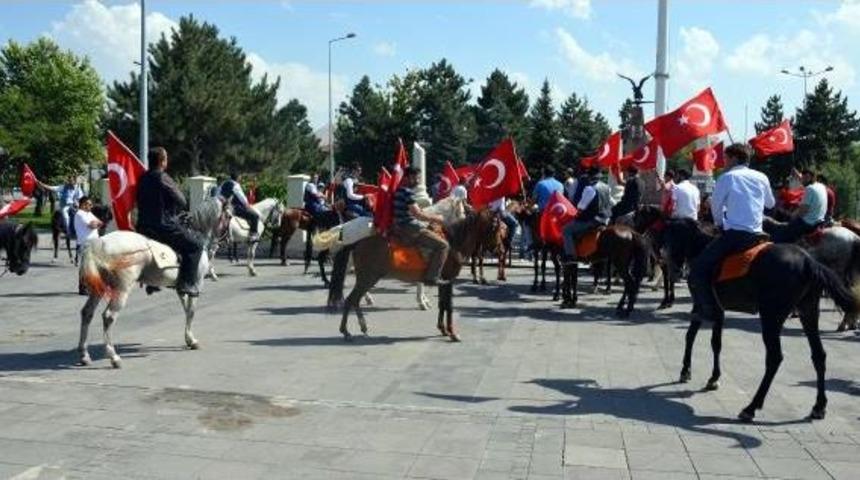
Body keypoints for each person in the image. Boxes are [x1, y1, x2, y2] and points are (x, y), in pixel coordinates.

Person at [688, 144, 775, 323]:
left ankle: (708, 309)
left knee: (698, 268)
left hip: (736, 235)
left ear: (734, 158)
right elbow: (770, 203)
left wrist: (720, 224)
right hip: (759, 234)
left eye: (726, 158)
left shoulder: (727, 177)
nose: (724, 162)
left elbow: (716, 207)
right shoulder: (762, 176)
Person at [137, 147, 205, 297]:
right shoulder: (163, 177)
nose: (167, 161)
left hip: (143, 226)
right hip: (163, 226)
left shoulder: (142, 178)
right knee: (196, 246)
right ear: (162, 161)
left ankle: (153, 282)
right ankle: (187, 284)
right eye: (166, 158)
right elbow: (182, 200)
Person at [391, 166, 450, 286]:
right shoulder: (407, 192)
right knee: (443, 245)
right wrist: (437, 219)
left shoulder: (398, 190)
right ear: (408, 177)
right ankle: (432, 277)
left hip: (400, 225)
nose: (418, 181)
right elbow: (418, 214)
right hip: (410, 227)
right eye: (416, 178)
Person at [562, 167, 611, 264]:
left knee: (566, 230)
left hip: (593, 220)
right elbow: (609, 202)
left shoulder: (589, 189)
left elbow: (581, 206)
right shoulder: (607, 187)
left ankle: (571, 256)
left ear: (589, 177)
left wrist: (577, 213)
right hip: (606, 219)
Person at [771, 168, 827, 243]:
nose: (802, 181)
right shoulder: (821, 186)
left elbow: (803, 211)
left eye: (804, 178)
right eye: (802, 178)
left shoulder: (809, 189)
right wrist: (798, 175)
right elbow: (803, 179)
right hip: (819, 221)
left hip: (808, 223)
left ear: (810, 177)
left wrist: (791, 215)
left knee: (778, 237)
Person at [74, 196, 103, 296]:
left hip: (93, 243)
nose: (91, 206)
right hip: (85, 244)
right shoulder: (80, 214)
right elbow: (92, 225)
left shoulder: (89, 214)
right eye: (89, 204)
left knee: (92, 266)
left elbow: (100, 223)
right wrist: (95, 224)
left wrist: (96, 223)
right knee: (86, 267)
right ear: (83, 204)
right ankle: (83, 288)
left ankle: (90, 286)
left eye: (91, 204)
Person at [220, 171, 261, 241]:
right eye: (240, 176)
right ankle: (253, 235)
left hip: (223, 206)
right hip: (234, 208)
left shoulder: (224, 183)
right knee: (255, 216)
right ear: (238, 177)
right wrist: (247, 205)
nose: (241, 178)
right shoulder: (236, 185)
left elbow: (219, 194)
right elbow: (242, 197)